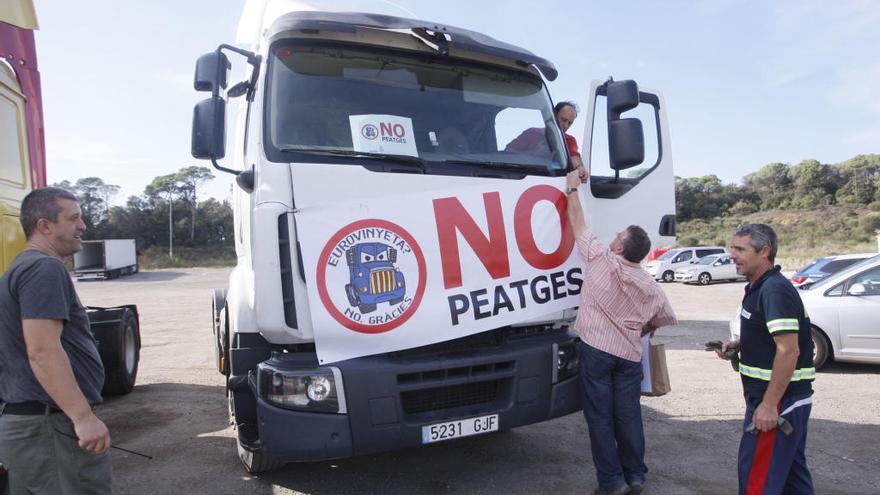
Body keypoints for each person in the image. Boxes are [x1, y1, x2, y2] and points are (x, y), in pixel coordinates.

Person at [565, 169, 677, 495]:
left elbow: (577, 222)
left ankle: (612, 482)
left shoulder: (600, 260)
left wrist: (572, 189)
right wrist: (640, 326)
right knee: (628, 416)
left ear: (618, 247)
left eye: (617, 235)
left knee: (600, 419)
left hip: (597, 351)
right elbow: (662, 317)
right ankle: (636, 475)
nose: (613, 237)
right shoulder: (650, 285)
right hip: (628, 356)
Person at [0, 187, 113, 494]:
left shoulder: (21, 268)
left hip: (33, 426)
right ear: (44, 226)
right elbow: (42, 350)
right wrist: (82, 417)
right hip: (50, 429)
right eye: (73, 218)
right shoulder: (42, 268)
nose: (83, 226)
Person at [718, 224, 815, 495]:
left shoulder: (774, 290)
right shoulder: (759, 287)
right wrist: (739, 346)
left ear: (764, 252)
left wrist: (769, 405)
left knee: (757, 482)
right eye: (732, 248)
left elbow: (789, 351)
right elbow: (773, 340)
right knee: (793, 480)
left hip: (779, 402)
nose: (731, 254)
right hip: (781, 400)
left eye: (740, 249)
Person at [506, 101, 584, 167]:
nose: (566, 125)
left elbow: (575, 158)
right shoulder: (532, 133)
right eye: (563, 120)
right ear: (553, 116)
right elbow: (507, 153)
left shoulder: (569, 140)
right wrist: (534, 153)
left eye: (570, 123)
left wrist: (580, 169)